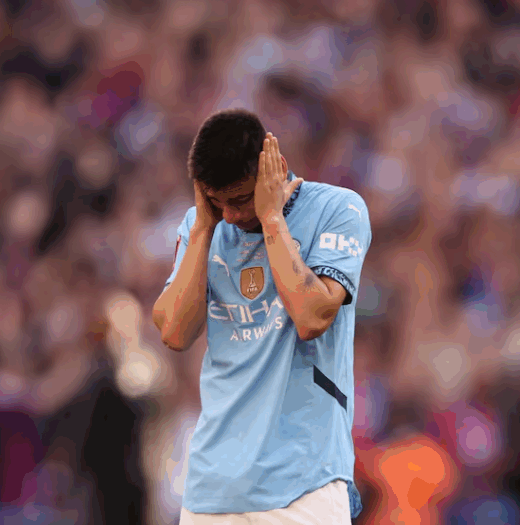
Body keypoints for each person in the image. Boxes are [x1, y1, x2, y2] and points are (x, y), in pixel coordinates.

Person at [153, 109, 371, 525]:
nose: (231, 215)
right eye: (218, 202)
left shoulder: (337, 209)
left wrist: (272, 217)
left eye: (240, 199)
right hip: (212, 489)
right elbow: (174, 331)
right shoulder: (205, 225)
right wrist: (202, 228)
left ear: (275, 169)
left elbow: (311, 317)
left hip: (307, 482)